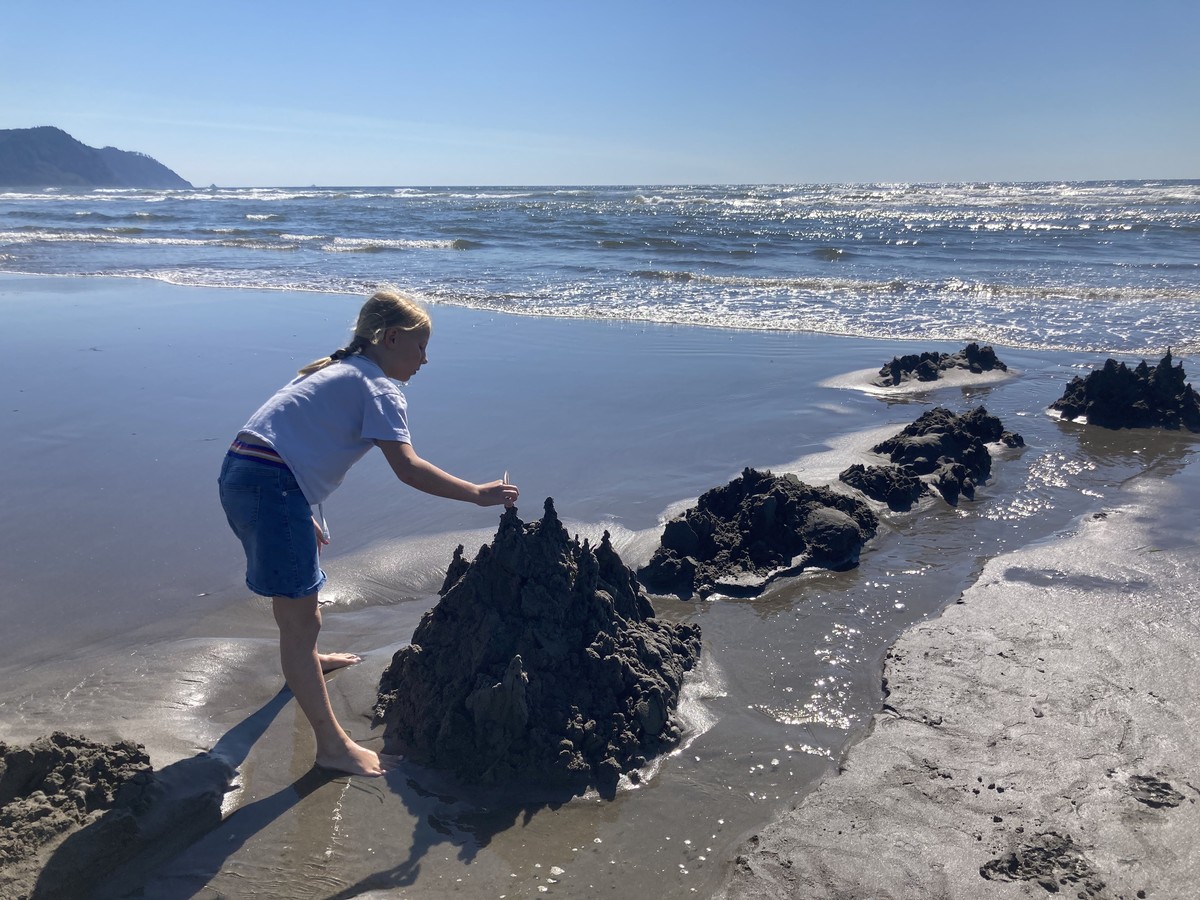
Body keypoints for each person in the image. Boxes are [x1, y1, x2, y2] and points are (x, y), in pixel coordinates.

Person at [218, 289, 518, 776]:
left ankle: (306, 663)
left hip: (252, 477)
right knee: (301, 620)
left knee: (302, 606)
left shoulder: (337, 371)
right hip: (269, 487)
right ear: (392, 338)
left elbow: (285, 437)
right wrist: (476, 494)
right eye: (420, 347)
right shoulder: (378, 387)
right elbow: (409, 468)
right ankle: (332, 746)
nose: (425, 360)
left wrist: (299, 509)